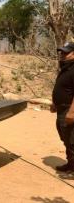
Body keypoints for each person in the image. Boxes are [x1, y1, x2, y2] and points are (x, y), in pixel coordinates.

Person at [51, 42, 74, 173]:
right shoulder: (66, 68)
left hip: (68, 110)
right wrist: (55, 103)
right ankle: (71, 164)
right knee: (66, 138)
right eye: (61, 52)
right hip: (61, 109)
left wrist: (71, 112)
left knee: (71, 140)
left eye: (66, 52)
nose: (62, 55)